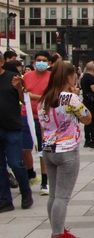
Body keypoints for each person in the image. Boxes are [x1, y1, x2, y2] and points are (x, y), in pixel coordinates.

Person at [38, 61, 92, 238]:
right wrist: (77, 98)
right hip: (67, 149)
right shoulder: (69, 98)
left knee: (53, 194)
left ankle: (58, 230)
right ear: (70, 77)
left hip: (48, 149)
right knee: (62, 196)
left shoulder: (44, 98)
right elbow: (87, 117)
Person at [0, 55, 31, 212]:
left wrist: (19, 88)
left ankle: (26, 192)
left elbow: (24, 99)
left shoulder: (13, 78)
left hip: (11, 126)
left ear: (2, 62)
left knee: (15, 163)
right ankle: (5, 200)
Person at [21, 51, 53, 195]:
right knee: (24, 148)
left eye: (44, 60)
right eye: (38, 60)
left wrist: (34, 96)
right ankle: (30, 174)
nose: (41, 63)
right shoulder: (27, 76)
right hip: (25, 115)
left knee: (43, 149)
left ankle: (45, 181)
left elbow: (52, 96)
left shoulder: (51, 77)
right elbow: (22, 94)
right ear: (34, 62)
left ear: (48, 63)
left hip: (44, 116)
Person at [79, 62, 94, 149]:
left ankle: (87, 140)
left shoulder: (83, 77)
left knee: (87, 121)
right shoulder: (91, 78)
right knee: (93, 121)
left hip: (86, 100)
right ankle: (93, 141)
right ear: (93, 69)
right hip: (92, 102)